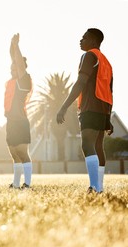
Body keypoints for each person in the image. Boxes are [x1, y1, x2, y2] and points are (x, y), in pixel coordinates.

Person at [56, 28, 113, 194]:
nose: (81, 40)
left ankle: (94, 187)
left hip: (91, 106)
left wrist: (64, 107)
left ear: (94, 41)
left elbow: (80, 83)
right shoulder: (106, 62)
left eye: (84, 38)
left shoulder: (89, 56)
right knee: (98, 146)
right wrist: (108, 116)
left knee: (87, 145)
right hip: (103, 109)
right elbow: (110, 91)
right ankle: (99, 187)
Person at [4, 33, 33, 189]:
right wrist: (11, 44)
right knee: (14, 154)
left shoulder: (24, 79)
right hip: (10, 122)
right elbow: (13, 58)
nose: (12, 69)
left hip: (21, 122)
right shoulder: (12, 81)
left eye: (14, 67)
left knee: (22, 153)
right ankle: (15, 184)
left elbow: (19, 63)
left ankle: (27, 184)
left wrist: (17, 46)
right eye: (11, 67)